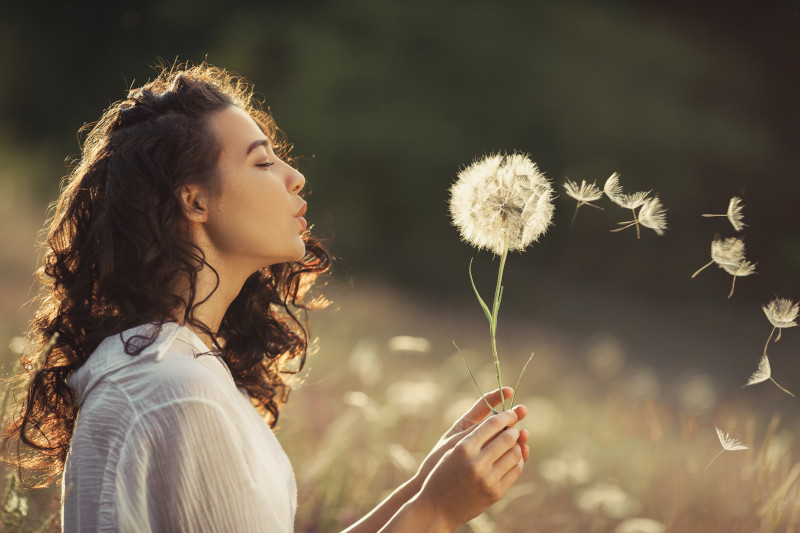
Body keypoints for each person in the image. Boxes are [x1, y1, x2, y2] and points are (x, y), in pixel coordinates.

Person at [2, 63, 530, 532]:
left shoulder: (165, 366)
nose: (295, 177)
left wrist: (420, 488)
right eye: (262, 163)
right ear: (194, 199)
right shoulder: (178, 393)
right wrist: (435, 514)